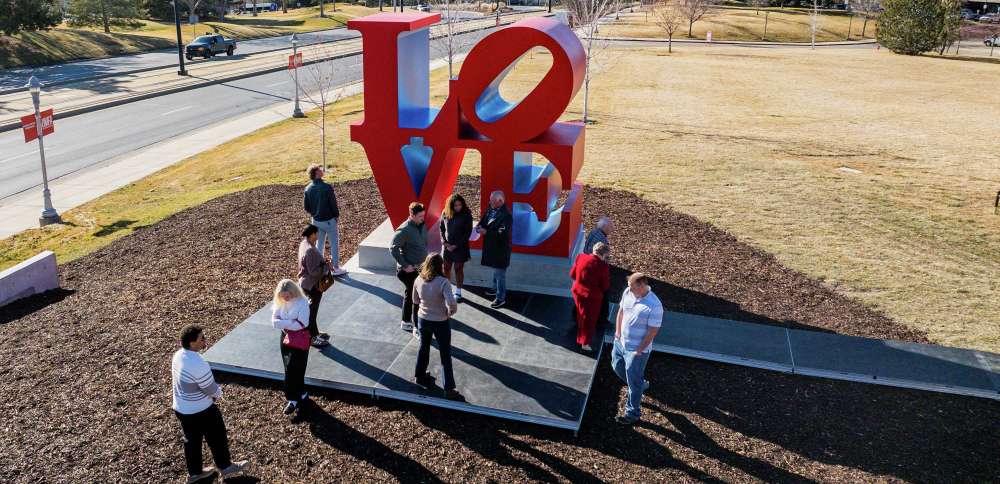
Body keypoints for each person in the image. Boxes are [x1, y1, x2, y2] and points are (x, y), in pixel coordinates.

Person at [171, 325, 249, 483]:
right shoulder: (198, 363)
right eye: (201, 338)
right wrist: (219, 394)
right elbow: (211, 389)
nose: (205, 340)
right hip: (201, 410)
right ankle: (225, 466)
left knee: (191, 441)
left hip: (181, 408)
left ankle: (195, 473)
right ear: (192, 343)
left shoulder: (178, 355)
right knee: (217, 436)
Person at [611, 272, 663, 426]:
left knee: (633, 383)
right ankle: (641, 385)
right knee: (616, 366)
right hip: (620, 343)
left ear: (641, 286)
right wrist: (617, 334)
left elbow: (653, 331)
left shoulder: (654, 305)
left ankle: (632, 413)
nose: (629, 289)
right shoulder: (628, 293)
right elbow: (621, 311)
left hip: (636, 351)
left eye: (632, 287)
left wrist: (640, 349)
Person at [411, 253, 463, 400]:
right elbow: (452, 303)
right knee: (445, 354)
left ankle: (420, 376)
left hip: (423, 319)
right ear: (440, 265)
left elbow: (415, 300)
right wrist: (450, 312)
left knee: (423, 348)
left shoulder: (418, 279)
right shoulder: (443, 282)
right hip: (440, 321)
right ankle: (449, 388)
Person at [271, 279, 313, 415]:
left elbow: (302, 324)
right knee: (289, 368)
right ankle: (299, 396)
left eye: (287, 296)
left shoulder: (302, 303)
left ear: (293, 292)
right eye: (283, 296)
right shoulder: (281, 301)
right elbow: (274, 322)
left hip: (299, 339)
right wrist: (291, 322)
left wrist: (283, 323)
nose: (285, 298)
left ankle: (294, 398)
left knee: (296, 368)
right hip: (285, 338)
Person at [390, 202, 428, 333]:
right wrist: (405, 265)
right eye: (420, 216)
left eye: (424, 215)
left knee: (413, 294)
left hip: (420, 267)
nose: (423, 218)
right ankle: (412, 324)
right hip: (408, 270)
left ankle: (408, 321)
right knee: (414, 295)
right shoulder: (404, 230)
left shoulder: (422, 225)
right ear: (411, 215)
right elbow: (393, 248)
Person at [303, 164, 347, 276]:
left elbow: (306, 207)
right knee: (334, 244)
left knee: (319, 244)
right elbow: (333, 204)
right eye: (320, 169)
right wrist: (336, 215)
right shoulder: (327, 187)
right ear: (317, 173)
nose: (322, 170)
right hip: (329, 220)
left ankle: (321, 268)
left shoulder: (307, 188)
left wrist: (314, 214)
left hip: (316, 221)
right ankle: (335, 268)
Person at [570, 242, 611, 352]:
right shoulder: (603, 266)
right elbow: (605, 285)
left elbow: (572, 274)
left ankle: (579, 337)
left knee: (580, 315)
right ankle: (585, 343)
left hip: (577, 291)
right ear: (604, 254)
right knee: (590, 320)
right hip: (591, 297)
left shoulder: (580, 257)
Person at [476, 190, 512, 309]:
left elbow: (502, 233)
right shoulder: (491, 208)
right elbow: (485, 219)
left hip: (501, 250)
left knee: (499, 273)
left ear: (500, 201)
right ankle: (494, 288)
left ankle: (500, 298)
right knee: (496, 270)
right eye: (490, 201)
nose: (490, 203)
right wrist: (479, 226)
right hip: (492, 247)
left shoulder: (506, 216)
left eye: (492, 201)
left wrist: (486, 232)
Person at [298, 224, 331, 348]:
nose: (318, 236)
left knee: (312, 311)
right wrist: (326, 267)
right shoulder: (310, 250)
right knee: (312, 312)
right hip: (312, 285)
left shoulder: (304, 243)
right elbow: (314, 272)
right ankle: (312, 338)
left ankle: (315, 332)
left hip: (305, 283)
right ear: (312, 234)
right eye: (317, 233)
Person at [439, 193, 473, 303]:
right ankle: (447, 290)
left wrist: (456, 245)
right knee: (446, 269)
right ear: (451, 206)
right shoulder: (445, 213)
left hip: (460, 247)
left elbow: (467, 232)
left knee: (458, 269)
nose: (458, 207)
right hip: (447, 248)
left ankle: (458, 292)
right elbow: (441, 229)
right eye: (456, 205)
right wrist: (445, 243)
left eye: (460, 205)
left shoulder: (467, 214)